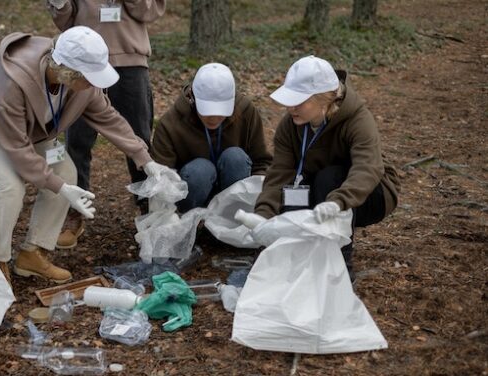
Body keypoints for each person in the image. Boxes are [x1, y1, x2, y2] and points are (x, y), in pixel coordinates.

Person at [0, 26, 176, 287]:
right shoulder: (12, 80)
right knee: (9, 188)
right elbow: (17, 149)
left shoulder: (81, 84)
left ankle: (32, 253)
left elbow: (108, 118)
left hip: (31, 129)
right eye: (89, 77)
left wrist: (143, 158)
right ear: (66, 71)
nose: (94, 84)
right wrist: (59, 188)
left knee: (66, 173)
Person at [237, 55, 400, 280]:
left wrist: (338, 201)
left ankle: (339, 267)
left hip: (369, 194)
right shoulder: (290, 125)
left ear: (324, 98)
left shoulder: (357, 119)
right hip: (320, 191)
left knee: (329, 177)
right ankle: (284, 261)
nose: (290, 107)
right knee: (295, 190)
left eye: (299, 101)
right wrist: (264, 215)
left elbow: (368, 168)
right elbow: (280, 174)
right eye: (289, 100)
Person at [46, 0, 166, 249]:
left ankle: (147, 205)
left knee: (138, 136)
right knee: (76, 140)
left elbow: (150, 11)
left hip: (130, 61)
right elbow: (65, 21)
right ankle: (74, 210)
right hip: (80, 64)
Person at [151, 63, 272, 212]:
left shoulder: (246, 111)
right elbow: (162, 177)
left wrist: (260, 200)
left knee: (235, 158)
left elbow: (261, 162)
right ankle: (190, 223)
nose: (214, 118)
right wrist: (168, 216)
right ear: (193, 98)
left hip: (234, 198)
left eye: (221, 110)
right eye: (207, 110)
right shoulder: (170, 123)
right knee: (200, 170)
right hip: (191, 196)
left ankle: (232, 219)